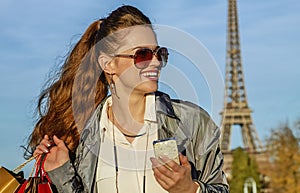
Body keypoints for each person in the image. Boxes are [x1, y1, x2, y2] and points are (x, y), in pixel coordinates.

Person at [26, 5, 229, 193]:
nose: (156, 62)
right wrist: (60, 172)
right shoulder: (80, 136)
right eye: (143, 54)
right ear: (108, 64)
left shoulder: (193, 122)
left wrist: (191, 189)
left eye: (160, 53)